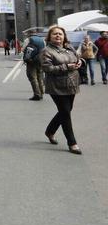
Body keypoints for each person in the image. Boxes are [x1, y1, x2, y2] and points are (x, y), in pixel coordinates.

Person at [41, 27, 82, 155]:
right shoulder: (46, 51)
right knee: (65, 112)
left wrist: (80, 62)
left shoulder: (69, 47)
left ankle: (50, 131)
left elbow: (77, 58)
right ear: (50, 37)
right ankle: (72, 143)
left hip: (72, 84)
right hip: (56, 86)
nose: (58, 36)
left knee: (66, 110)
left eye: (60, 34)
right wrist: (66, 67)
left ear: (64, 36)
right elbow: (48, 69)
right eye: (55, 34)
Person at [23, 34, 46, 100]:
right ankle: (41, 92)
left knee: (32, 77)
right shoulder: (42, 40)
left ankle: (37, 94)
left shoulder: (28, 40)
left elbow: (24, 49)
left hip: (31, 61)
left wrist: (26, 58)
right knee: (40, 76)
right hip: (40, 60)